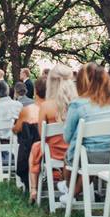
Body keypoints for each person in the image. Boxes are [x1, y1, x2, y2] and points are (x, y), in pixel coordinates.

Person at [63, 63, 110, 195]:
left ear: (82, 82)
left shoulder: (78, 104)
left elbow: (67, 137)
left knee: (71, 156)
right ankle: (70, 193)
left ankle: (70, 192)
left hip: (92, 156)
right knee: (87, 152)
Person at [28, 65, 75, 200]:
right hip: (74, 151)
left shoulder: (46, 106)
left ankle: (34, 189)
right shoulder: (77, 104)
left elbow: (42, 135)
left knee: (35, 147)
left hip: (53, 152)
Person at [13, 78, 41, 190]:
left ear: (15, 92)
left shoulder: (16, 104)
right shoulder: (34, 103)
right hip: (37, 137)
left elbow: (16, 128)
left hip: (25, 139)